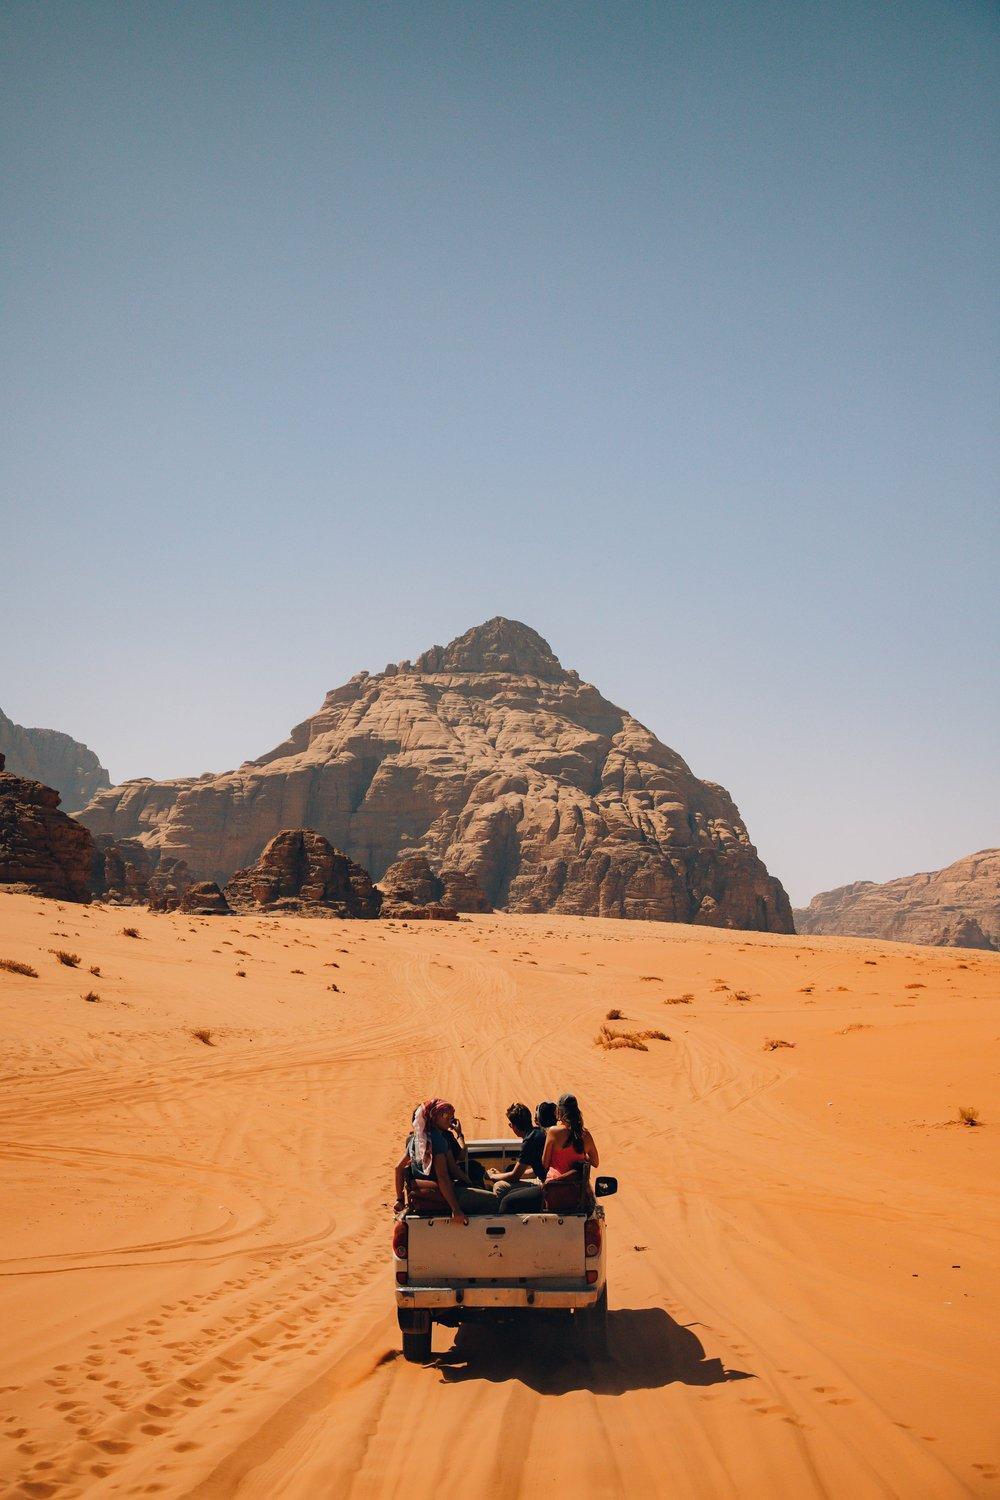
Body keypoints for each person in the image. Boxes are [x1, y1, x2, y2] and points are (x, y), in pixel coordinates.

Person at [395, 1098, 496, 1224]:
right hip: (443, 1194)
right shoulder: (438, 1139)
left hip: (422, 1194)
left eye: (451, 1116)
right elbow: (444, 1175)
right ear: (433, 1116)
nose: (450, 1120)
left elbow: (398, 1168)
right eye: (445, 1115)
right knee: (493, 1200)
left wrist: (399, 1199)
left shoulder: (415, 1139)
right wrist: (456, 1209)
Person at [491, 1101, 556, 1215]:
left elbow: (514, 1176)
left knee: (500, 1187)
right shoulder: (538, 1132)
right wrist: (502, 1174)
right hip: (548, 1183)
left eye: (511, 1125)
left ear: (514, 1127)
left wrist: (493, 1176)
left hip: (547, 1187)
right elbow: (535, 1170)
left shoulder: (529, 1141)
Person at [542, 1094, 599, 1211]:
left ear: (559, 1111)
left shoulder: (553, 1132)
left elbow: (545, 1163)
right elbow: (595, 1162)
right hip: (577, 1193)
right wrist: (581, 1156)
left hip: (554, 1190)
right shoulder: (585, 1135)